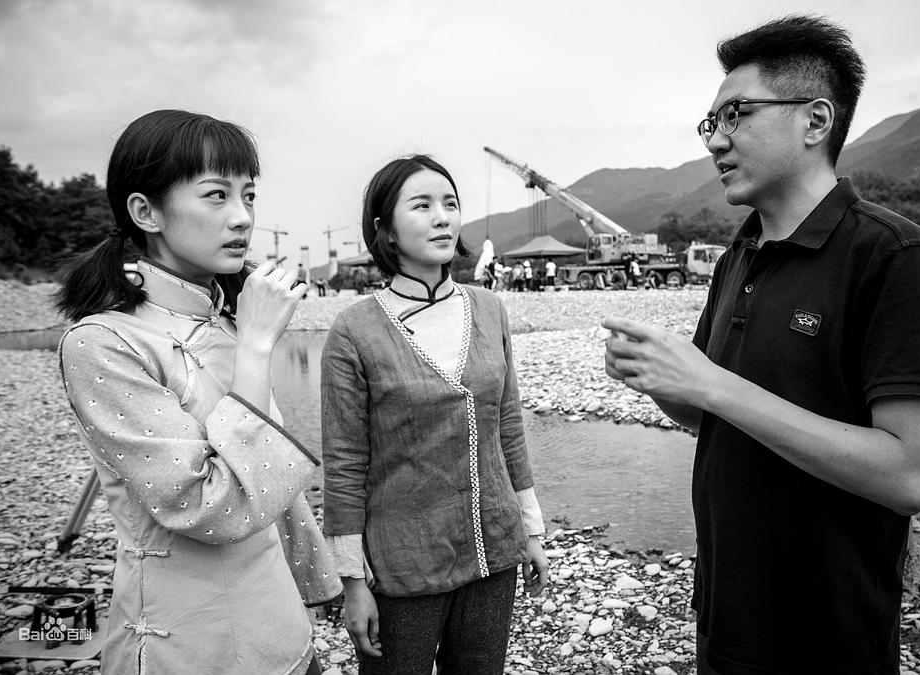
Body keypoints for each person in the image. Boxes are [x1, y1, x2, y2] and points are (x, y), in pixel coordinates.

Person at [603, 16, 920, 674]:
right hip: (725, 619)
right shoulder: (737, 254)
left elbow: (910, 474)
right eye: (709, 123)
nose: (716, 139)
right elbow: (711, 414)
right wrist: (658, 377)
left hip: (828, 640)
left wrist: (712, 384)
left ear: (815, 121)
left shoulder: (892, 255)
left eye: (734, 114)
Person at [54, 110, 340, 675]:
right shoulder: (103, 343)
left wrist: (320, 580)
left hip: (283, 630)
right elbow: (212, 507)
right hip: (187, 647)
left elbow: (270, 483)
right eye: (216, 195)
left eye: (249, 196)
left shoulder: (226, 319)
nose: (242, 217)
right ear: (146, 212)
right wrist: (255, 346)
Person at [320, 154, 550, 674]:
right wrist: (352, 581)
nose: (442, 217)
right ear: (385, 228)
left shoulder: (489, 308)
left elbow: (509, 428)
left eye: (450, 203)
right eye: (421, 205)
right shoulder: (354, 330)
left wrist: (531, 532)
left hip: (494, 551)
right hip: (403, 563)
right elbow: (345, 463)